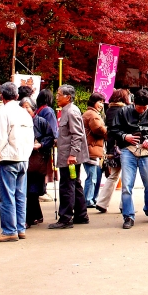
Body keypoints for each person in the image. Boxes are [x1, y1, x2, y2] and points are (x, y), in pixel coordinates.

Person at [109, 89, 148, 229]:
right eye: (140, 107)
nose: (143, 110)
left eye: (145, 107)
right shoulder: (123, 112)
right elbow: (113, 129)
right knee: (127, 185)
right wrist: (125, 136)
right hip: (128, 150)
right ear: (134, 103)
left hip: (146, 151)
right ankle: (128, 215)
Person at [0, 82, 34, 242]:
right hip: (23, 157)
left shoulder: (3, 112)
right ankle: (20, 228)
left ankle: (9, 230)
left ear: (2, 96)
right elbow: (31, 138)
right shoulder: (25, 113)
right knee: (20, 195)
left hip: (9, 158)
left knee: (7, 196)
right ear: (17, 96)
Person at [51, 85, 90, 229]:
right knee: (75, 183)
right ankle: (81, 215)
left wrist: (73, 153)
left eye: (59, 94)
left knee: (67, 185)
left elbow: (77, 134)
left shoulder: (71, 111)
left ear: (68, 97)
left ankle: (66, 218)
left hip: (70, 157)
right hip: (68, 155)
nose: (57, 97)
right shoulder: (67, 110)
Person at [21, 97, 55, 227]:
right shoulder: (18, 122)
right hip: (23, 158)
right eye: (22, 107)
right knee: (29, 190)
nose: (25, 110)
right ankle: (37, 215)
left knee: (32, 190)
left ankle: (29, 219)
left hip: (37, 160)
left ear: (33, 109)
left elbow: (50, 137)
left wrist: (41, 144)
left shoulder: (41, 122)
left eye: (27, 107)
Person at [95, 89, 128, 214]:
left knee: (113, 175)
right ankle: (125, 204)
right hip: (124, 147)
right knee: (127, 177)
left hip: (111, 148)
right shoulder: (125, 110)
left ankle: (102, 202)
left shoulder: (109, 110)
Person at [82, 93, 107, 210]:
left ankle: (92, 198)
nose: (101, 105)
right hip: (91, 149)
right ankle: (88, 199)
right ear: (93, 102)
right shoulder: (93, 115)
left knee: (94, 176)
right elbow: (98, 129)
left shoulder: (90, 113)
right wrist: (108, 131)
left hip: (92, 149)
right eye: (99, 102)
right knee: (92, 177)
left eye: (102, 102)